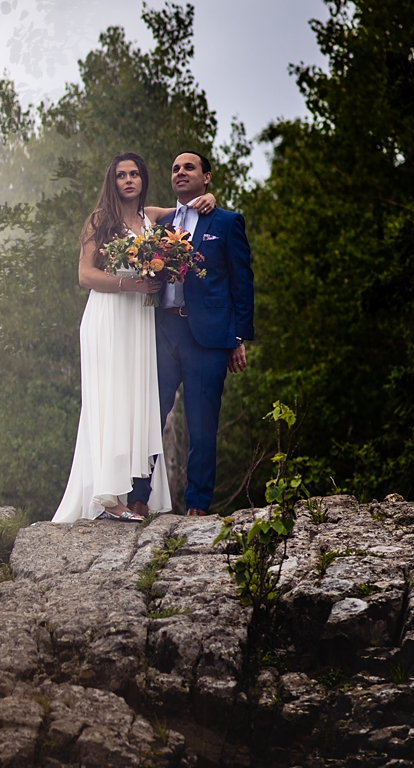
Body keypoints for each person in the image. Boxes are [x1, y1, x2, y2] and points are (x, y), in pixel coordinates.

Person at [51, 152, 214, 524]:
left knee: (133, 401)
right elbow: (85, 275)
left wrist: (210, 198)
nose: (128, 180)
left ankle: (127, 492)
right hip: (109, 316)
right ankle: (107, 498)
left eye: (135, 174)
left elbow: (184, 210)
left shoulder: (150, 218)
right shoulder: (100, 221)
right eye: (121, 175)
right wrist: (129, 284)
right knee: (109, 399)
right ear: (112, 181)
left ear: (143, 180)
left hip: (140, 322)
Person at [126, 151, 254, 517]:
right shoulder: (160, 223)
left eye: (189, 167)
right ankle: (138, 498)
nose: (181, 172)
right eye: (175, 168)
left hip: (208, 337)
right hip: (162, 331)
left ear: (207, 177)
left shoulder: (228, 222)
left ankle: (197, 505)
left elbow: (241, 282)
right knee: (150, 417)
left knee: (201, 426)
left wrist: (238, 339)